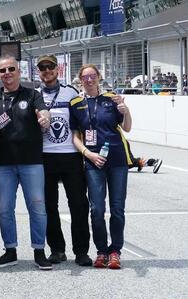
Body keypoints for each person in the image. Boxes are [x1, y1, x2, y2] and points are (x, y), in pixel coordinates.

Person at [0, 55, 53, 270]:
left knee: (38, 208)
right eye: (3, 70)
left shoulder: (32, 94)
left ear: (18, 71)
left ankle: (39, 251)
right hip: (3, 164)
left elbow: (43, 112)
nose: (7, 73)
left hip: (31, 162)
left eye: (11, 69)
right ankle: (10, 250)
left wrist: (45, 118)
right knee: (5, 209)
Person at [69, 64, 133, 269]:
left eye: (92, 76)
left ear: (99, 77)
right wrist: (88, 154)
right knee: (96, 209)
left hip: (117, 160)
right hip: (93, 161)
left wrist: (126, 110)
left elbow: (127, 127)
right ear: (80, 80)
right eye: (85, 77)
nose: (89, 80)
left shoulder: (112, 99)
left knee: (117, 208)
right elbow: (75, 137)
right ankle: (101, 251)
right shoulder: (76, 104)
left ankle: (115, 251)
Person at [36, 55, 92, 266]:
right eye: (43, 68)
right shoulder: (35, 95)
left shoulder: (71, 92)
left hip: (71, 156)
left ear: (57, 70)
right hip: (45, 156)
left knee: (78, 204)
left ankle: (81, 251)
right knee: (49, 206)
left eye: (50, 67)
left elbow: (83, 123)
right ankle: (57, 250)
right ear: (38, 71)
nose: (47, 71)